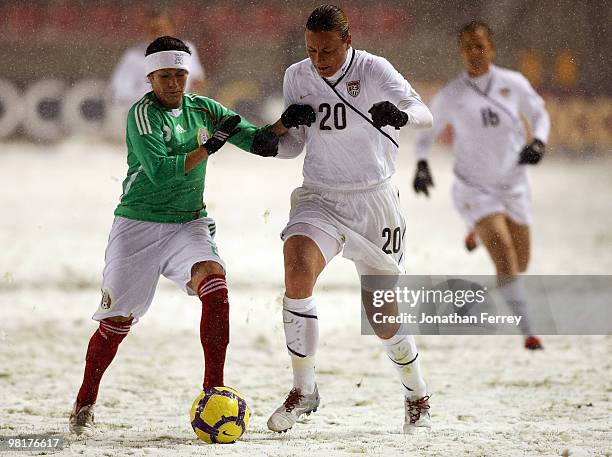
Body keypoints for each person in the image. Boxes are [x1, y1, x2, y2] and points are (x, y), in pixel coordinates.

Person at [69, 35, 279, 436]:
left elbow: (254, 138)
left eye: (181, 75)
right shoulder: (142, 115)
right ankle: (85, 400)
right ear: (150, 77)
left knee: (215, 282)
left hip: (188, 222)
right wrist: (208, 148)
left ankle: (213, 389)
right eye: (165, 76)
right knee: (116, 323)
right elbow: (162, 171)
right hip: (138, 227)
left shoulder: (204, 109)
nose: (174, 84)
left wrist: (284, 125)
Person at [264, 5, 434, 434]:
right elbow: (291, 148)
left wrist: (399, 116)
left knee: (381, 314)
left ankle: (417, 396)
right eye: (312, 50)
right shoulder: (296, 77)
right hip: (320, 195)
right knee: (297, 268)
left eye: (327, 51)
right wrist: (282, 128)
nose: (319, 60)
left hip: (374, 201)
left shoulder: (375, 70)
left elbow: (423, 112)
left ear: (348, 40)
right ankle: (304, 390)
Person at [412, 21, 550, 350]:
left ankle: (475, 229)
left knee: (521, 263)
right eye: (467, 47)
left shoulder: (513, 83)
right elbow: (426, 131)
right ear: (460, 52)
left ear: (492, 47)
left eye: (480, 45)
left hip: (514, 184)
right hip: (474, 188)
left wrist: (540, 142)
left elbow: (540, 114)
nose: (474, 52)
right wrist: (421, 164)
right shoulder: (452, 94)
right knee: (503, 254)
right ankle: (528, 331)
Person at [109, 12, 206, 106]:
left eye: (164, 29)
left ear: (172, 30)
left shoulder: (187, 49)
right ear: (147, 31)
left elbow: (198, 80)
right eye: (155, 30)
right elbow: (119, 91)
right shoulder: (133, 57)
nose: (160, 34)